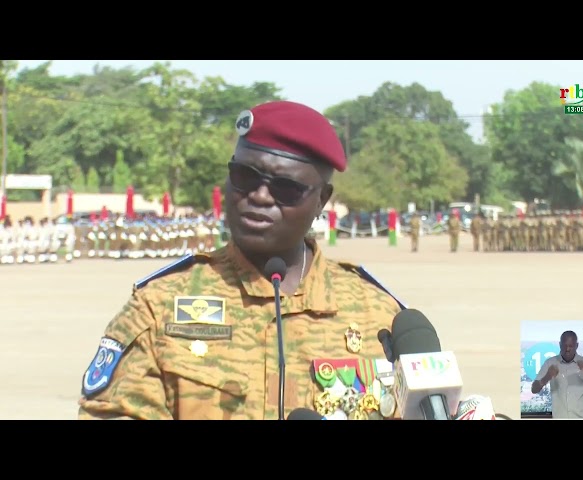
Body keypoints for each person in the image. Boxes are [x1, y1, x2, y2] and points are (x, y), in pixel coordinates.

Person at [77, 100, 406, 420]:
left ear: (322, 199)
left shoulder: (376, 312)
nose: (260, 196)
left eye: (286, 188)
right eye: (246, 176)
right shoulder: (159, 305)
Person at [530, 330, 583, 419]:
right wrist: (547, 377)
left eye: (571, 346)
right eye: (565, 346)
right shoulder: (550, 363)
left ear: (577, 346)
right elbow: (534, 389)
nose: (567, 349)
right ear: (560, 345)